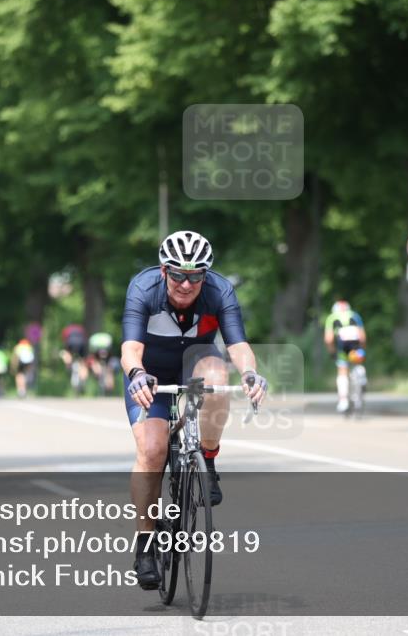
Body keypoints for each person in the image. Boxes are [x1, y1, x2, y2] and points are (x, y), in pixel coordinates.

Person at [121, 230, 266, 591]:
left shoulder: (219, 291)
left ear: (207, 274)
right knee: (152, 451)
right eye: (178, 274)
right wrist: (137, 374)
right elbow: (130, 348)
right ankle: (144, 545)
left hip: (195, 362)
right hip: (149, 374)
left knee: (218, 377)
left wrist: (250, 372)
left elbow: (238, 344)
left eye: (196, 275)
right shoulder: (143, 288)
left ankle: (208, 457)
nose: (187, 284)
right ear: (163, 269)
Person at [323, 300, 367, 414]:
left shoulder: (332, 317)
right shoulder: (355, 315)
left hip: (342, 347)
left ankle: (343, 401)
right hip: (355, 346)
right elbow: (362, 337)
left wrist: (332, 353)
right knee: (357, 363)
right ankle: (361, 373)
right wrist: (362, 349)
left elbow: (328, 339)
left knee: (342, 371)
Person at [59, 323, 89, 393]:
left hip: (70, 343)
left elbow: (64, 340)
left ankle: (69, 367)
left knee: (66, 355)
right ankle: (83, 378)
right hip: (82, 344)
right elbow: (85, 338)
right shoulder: (80, 329)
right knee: (83, 363)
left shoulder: (67, 330)